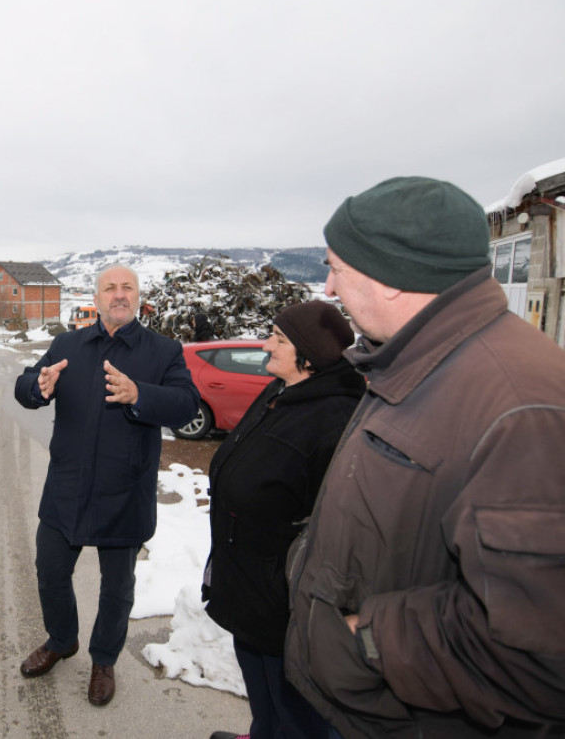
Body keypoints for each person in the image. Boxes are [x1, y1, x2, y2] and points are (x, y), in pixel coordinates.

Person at [284, 177, 565, 738]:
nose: (329, 287)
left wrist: (365, 640)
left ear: (389, 277)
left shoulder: (519, 408)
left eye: (336, 266)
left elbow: (541, 653)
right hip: (369, 706)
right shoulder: (417, 358)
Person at [15, 265, 199, 707]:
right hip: (68, 488)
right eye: (109, 288)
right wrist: (38, 387)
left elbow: (186, 405)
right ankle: (62, 640)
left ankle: (104, 659)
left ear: (139, 297)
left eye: (127, 288)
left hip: (125, 492)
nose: (118, 294)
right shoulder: (67, 344)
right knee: (50, 573)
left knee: (117, 588)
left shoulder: (164, 350)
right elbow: (25, 388)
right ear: (95, 298)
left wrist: (140, 395)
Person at [203, 301, 364, 739]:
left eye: (279, 338)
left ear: (308, 355)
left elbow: (340, 530)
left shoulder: (335, 420)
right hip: (247, 584)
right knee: (262, 692)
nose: (266, 344)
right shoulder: (279, 391)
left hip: (285, 603)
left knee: (298, 713)